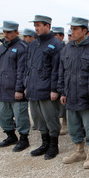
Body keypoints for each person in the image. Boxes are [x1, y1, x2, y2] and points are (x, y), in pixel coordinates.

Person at [58, 17, 89, 169]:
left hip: (87, 97)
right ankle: (79, 151)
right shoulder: (67, 48)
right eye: (72, 29)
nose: (72, 32)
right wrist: (62, 92)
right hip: (70, 95)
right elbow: (61, 72)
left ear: (85, 31)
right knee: (74, 127)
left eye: (76, 29)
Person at [25, 15, 62, 160]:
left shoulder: (55, 44)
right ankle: (44, 143)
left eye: (39, 25)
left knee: (50, 118)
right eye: (35, 25)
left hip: (46, 89)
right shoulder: (33, 44)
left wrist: (54, 89)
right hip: (33, 88)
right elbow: (28, 67)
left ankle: (54, 145)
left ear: (48, 26)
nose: (36, 28)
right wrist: (26, 84)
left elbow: (57, 69)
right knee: (38, 118)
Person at [0, 21, 31, 152]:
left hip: (16, 90)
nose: (6, 34)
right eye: (4, 32)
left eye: (9, 32)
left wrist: (19, 89)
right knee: (2, 115)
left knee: (20, 116)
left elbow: (23, 70)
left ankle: (23, 138)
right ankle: (10, 136)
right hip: (3, 89)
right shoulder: (1, 48)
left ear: (16, 32)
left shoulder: (22, 47)